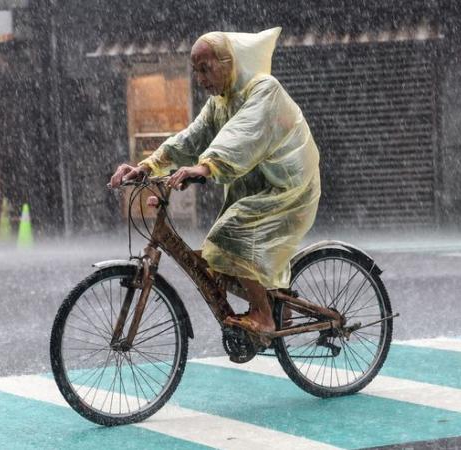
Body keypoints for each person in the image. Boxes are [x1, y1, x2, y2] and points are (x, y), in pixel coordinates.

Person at [110, 27, 321, 334]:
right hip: (255, 188)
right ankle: (279, 302)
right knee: (217, 256)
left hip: (287, 188)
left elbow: (244, 134)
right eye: (196, 72)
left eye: (205, 69)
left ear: (228, 61)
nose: (201, 79)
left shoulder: (264, 89)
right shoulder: (220, 103)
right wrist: (148, 165)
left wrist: (206, 167)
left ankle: (264, 314)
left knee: (228, 236)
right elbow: (189, 138)